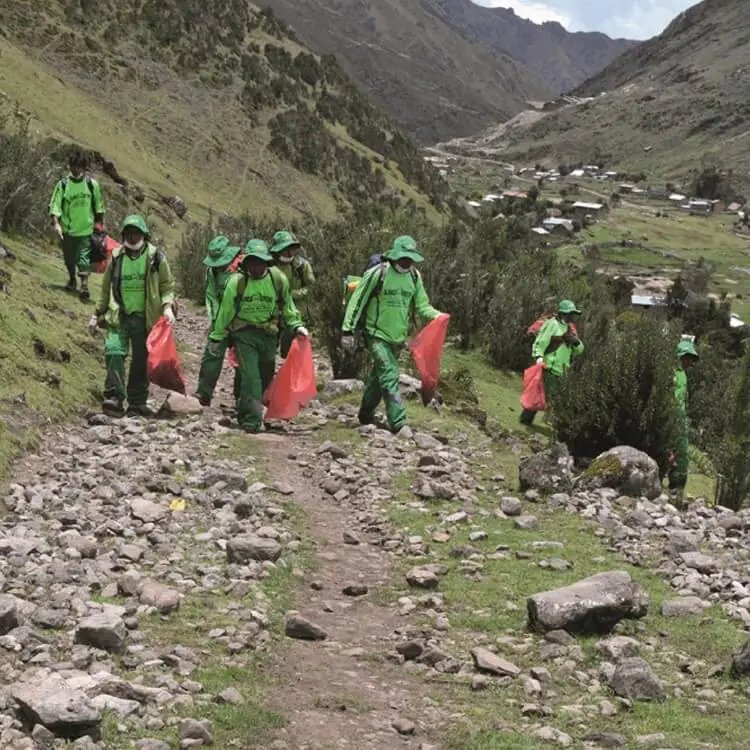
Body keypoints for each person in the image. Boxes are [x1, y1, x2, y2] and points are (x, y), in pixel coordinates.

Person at [200, 239, 308, 433]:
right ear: (246, 263)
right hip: (244, 334)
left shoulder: (277, 279)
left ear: (267, 262)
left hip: (269, 334)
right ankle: (251, 421)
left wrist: (297, 325)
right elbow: (226, 311)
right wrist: (217, 336)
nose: (256, 267)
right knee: (251, 377)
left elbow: (287, 305)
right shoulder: (237, 282)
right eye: (252, 262)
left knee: (265, 375)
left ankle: (243, 409)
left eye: (260, 262)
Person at [341, 235, 442, 433]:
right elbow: (358, 300)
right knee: (389, 374)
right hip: (376, 334)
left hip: (398, 339)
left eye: (411, 257)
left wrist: (438, 316)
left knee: (379, 379)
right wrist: (348, 330)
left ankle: (365, 414)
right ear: (395, 255)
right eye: (404, 257)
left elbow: (422, 305)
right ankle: (399, 422)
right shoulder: (379, 273)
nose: (408, 261)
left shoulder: (414, 276)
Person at [90, 215, 175, 416]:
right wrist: (96, 313)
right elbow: (105, 289)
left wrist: (167, 307)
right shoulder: (117, 256)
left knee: (141, 359)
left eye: (136, 233)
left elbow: (167, 286)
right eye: (128, 232)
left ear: (144, 235)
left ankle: (137, 402)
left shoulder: (156, 257)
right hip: (119, 316)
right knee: (113, 351)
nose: (132, 236)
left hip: (145, 319)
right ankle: (114, 397)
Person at [194, 235, 245, 407]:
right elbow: (211, 295)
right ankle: (203, 394)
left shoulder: (243, 267)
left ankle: (241, 398)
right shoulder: (212, 271)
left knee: (242, 359)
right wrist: (216, 320)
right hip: (220, 320)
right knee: (212, 354)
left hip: (241, 321)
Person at [49, 150, 106, 300]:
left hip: (86, 230)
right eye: (73, 166)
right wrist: (56, 223)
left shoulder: (91, 185)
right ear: (69, 166)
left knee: (84, 258)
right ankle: (72, 278)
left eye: (79, 166)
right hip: (67, 231)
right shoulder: (63, 185)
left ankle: (84, 285)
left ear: (83, 167)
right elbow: (55, 205)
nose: (76, 170)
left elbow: (99, 206)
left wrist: (99, 224)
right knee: (69, 259)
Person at [520, 299, 584, 426]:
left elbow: (580, 350)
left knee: (553, 400)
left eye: (573, 314)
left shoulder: (571, 330)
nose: (572, 316)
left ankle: (553, 425)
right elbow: (541, 341)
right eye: (570, 313)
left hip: (561, 371)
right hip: (547, 368)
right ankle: (525, 421)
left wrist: (576, 342)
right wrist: (539, 357)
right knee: (537, 396)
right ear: (563, 313)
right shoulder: (552, 324)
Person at [270, 230, 315, 358]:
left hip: (297, 314)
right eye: (285, 249)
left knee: (291, 351)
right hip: (273, 315)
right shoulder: (269, 266)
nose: (289, 253)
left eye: (291, 249)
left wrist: (293, 294)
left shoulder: (302, 266)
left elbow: (311, 287)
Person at [668, 339, 699, 500]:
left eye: (692, 359)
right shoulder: (671, 372)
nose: (690, 362)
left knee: (681, 457)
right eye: (688, 358)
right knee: (670, 454)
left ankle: (677, 493)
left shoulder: (683, 374)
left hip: (680, 417)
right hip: (671, 416)